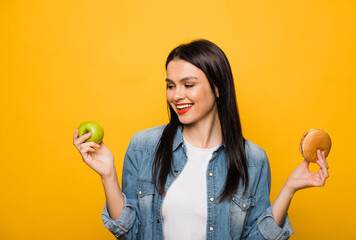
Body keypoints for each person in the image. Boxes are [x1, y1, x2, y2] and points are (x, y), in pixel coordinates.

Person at [73, 39, 329, 240]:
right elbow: (131, 233)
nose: (176, 95)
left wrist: (289, 189)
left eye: (188, 84)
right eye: (171, 85)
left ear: (217, 87)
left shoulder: (253, 160)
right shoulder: (144, 146)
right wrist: (107, 175)